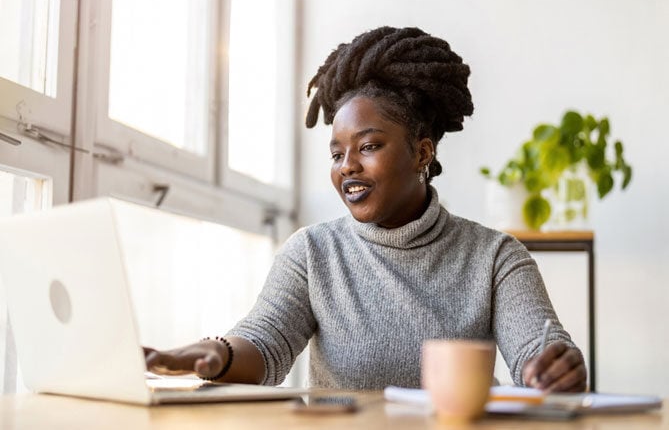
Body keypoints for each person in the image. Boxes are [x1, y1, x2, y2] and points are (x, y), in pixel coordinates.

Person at [144, 26, 587, 392]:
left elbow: (540, 352)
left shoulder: (495, 257)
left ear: (422, 153)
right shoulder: (313, 253)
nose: (347, 167)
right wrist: (216, 354)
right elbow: (263, 345)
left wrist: (556, 370)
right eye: (337, 154)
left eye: (369, 146)